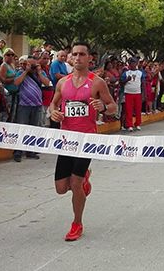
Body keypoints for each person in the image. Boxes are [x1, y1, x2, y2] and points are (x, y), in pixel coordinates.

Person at [48, 41, 117, 241]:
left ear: (89, 58)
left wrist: (103, 108)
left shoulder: (97, 82)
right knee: (61, 188)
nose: (77, 58)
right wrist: (54, 113)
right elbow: (53, 103)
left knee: (75, 184)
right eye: (74, 54)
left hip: (87, 139)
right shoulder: (63, 82)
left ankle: (76, 223)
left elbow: (112, 105)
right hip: (66, 138)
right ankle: (85, 177)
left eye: (81, 54)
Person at [11, 56, 48, 162]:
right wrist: (26, 71)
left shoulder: (40, 73)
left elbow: (46, 83)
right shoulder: (21, 73)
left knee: (33, 128)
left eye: (33, 64)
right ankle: (17, 151)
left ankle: (30, 150)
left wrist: (39, 72)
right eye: (29, 64)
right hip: (24, 105)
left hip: (37, 105)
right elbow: (16, 83)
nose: (31, 67)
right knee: (22, 128)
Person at [121, 58, 145, 131]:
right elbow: (121, 82)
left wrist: (144, 94)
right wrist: (127, 80)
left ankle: (137, 124)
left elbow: (143, 83)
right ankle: (129, 125)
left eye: (134, 63)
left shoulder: (140, 72)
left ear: (136, 64)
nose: (133, 64)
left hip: (137, 92)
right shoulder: (126, 72)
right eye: (132, 63)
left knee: (138, 109)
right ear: (130, 64)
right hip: (128, 92)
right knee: (129, 110)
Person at [0, 49, 19, 122]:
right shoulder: (4, 66)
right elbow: (3, 80)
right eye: (8, 55)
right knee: (5, 114)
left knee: (12, 115)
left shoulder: (12, 65)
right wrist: (15, 78)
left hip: (14, 92)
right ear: (4, 56)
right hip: (7, 93)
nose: (10, 57)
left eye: (12, 55)